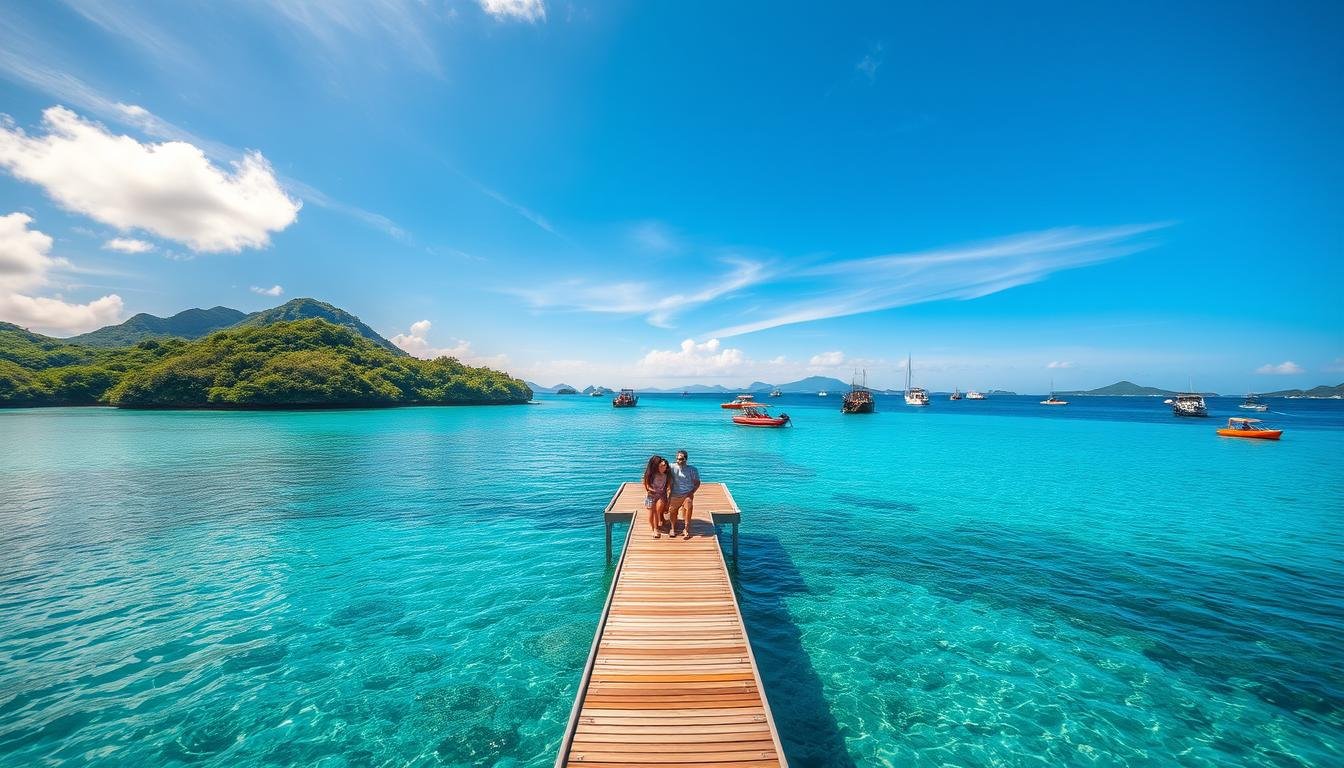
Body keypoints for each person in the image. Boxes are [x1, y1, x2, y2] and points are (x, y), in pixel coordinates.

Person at [667, 449, 701, 540]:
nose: (679, 461)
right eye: (677, 459)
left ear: (686, 459)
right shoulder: (671, 467)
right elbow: (660, 467)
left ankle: (686, 529)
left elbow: (697, 483)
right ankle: (672, 528)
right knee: (672, 511)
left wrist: (691, 492)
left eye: (681, 459)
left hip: (687, 494)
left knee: (688, 508)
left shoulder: (692, 469)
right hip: (675, 494)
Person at [643, 455, 671, 538]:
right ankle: (654, 529)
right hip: (651, 495)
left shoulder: (666, 474)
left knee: (658, 509)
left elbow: (668, 484)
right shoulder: (651, 474)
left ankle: (657, 525)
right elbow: (647, 485)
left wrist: (667, 492)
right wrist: (652, 490)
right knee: (652, 513)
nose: (663, 466)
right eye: (660, 464)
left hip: (661, 495)